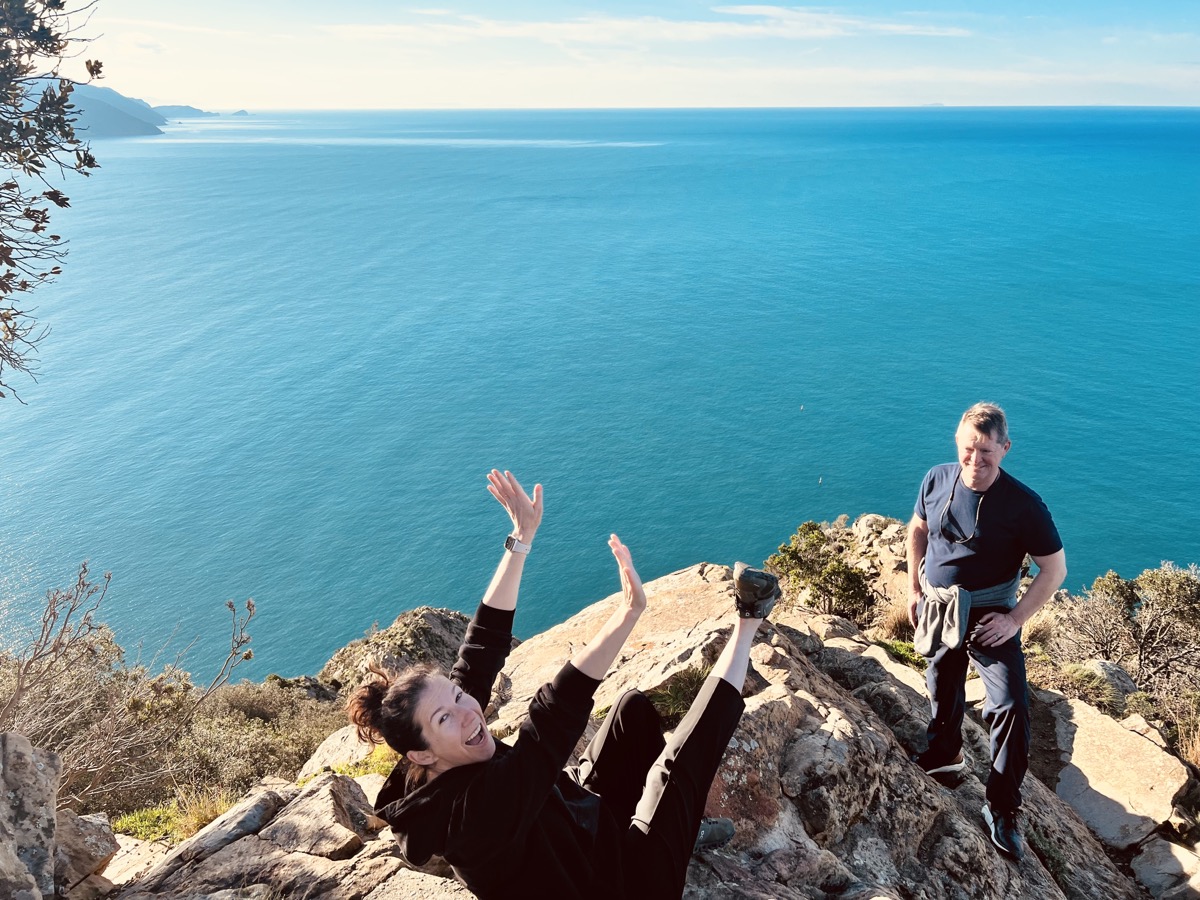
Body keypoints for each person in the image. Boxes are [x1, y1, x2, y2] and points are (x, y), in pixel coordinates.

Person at [347, 469, 780, 900]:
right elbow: (552, 718)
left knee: (630, 711)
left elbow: (479, 652)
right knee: (681, 765)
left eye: (458, 698)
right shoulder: (473, 817)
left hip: (579, 834)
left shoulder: (435, 753)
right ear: (420, 752)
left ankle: (669, 829)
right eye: (445, 716)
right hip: (621, 887)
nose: (467, 712)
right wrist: (627, 613)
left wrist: (521, 539)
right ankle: (749, 619)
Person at [907, 403, 1067, 862]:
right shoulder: (937, 478)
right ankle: (944, 753)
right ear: (958, 444)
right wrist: (914, 588)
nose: (975, 463)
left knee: (1011, 704)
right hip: (938, 606)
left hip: (990, 613)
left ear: (1005, 448)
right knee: (941, 680)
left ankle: (1001, 807)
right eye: (968, 451)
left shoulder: (1024, 505)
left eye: (986, 454)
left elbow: (1054, 570)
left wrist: (1014, 619)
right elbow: (917, 527)